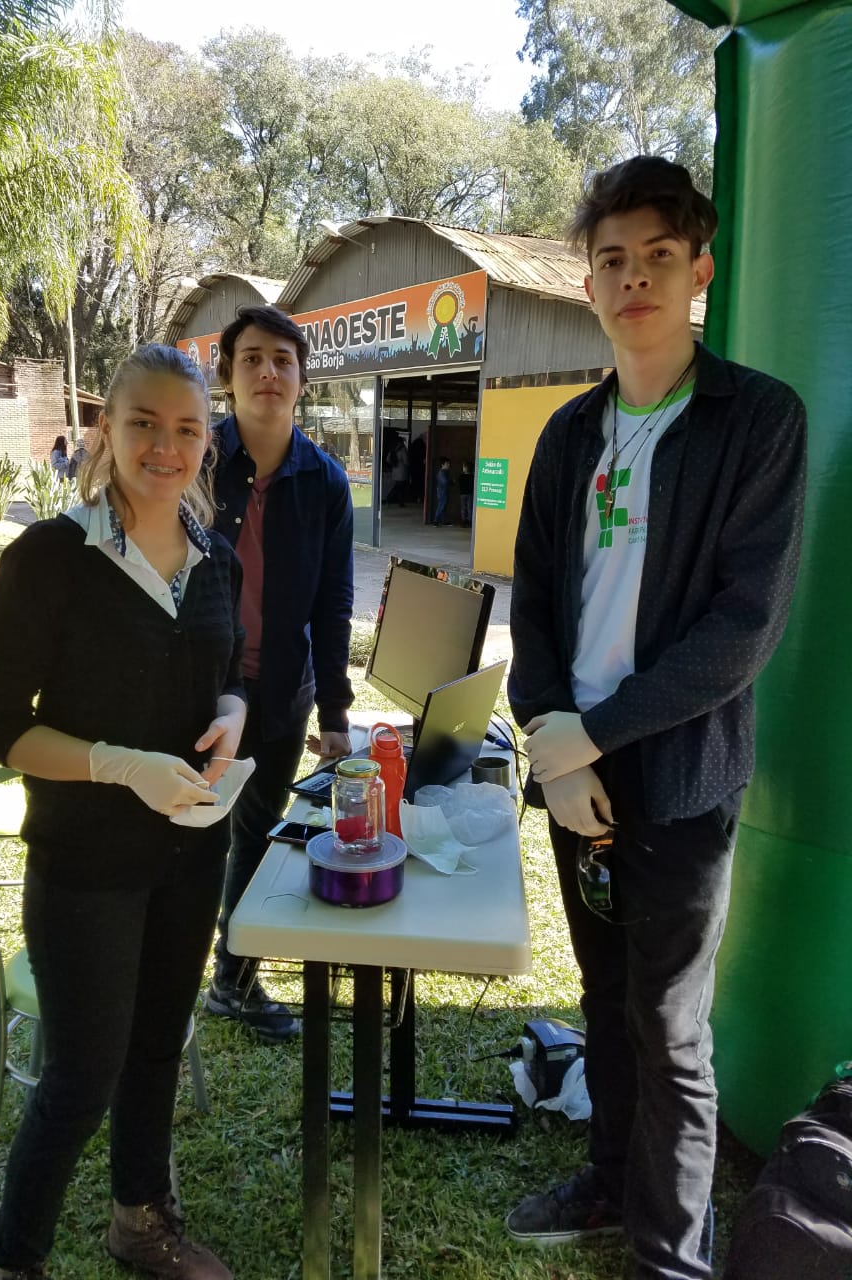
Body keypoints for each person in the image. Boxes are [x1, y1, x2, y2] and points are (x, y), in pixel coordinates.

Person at [507, 156, 806, 1278]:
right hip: (573, 766)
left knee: (671, 1026)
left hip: (678, 776)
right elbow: (534, 600)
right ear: (588, 283)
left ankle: (671, 1255)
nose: (635, 278)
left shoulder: (757, 420)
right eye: (614, 260)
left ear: (700, 273)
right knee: (602, 995)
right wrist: (554, 743)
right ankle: (607, 1180)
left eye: (659, 256)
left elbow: (744, 626)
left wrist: (597, 732)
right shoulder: (569, 434)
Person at [0, 344, 245, 1280]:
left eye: (186, 429)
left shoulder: (214, 558)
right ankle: (18, 1261)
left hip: (191, 853)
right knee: (84, 1076)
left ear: (206, 442)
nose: (165, 447)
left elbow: (228, 672)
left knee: (157, 1049)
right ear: (106, 430)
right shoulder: (51, 558)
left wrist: (234, 713)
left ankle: (141, 1223)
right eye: (144, 424)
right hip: (85, 865)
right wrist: (121, 766)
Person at [202, 304, 354, 1043]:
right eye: (252, 358)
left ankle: (231, 981)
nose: (268, 371)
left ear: (301, 378)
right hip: (198, 686)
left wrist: (336, 715)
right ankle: (164, 963)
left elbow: (334, 605)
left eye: (283, 360)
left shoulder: (325, 482)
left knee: (258, 832)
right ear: (228, 375)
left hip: (282, 691)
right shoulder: (195, 457)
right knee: (190, 832)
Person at [384, 438, 409, 506]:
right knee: (399, 487)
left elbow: (387, 459)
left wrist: (393, 464)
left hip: (394, 470)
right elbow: (406, 461)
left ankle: (399, 502)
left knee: (398, 487)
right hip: (402, 471)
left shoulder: (393, 449)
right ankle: (389, 498)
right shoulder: (402, 450)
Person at [433, 456, 451, 524]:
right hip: (442, 492)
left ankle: (443, 520)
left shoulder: (445, 472)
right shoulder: (442, 472)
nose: (448, 465)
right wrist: (451, 481)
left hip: (443, 491)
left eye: (448, 463)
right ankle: (436, 520)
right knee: (441, 506)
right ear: (442, 464)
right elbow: (444, 482)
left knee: (443, 506)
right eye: (447, 463)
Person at [457, 461, 473, 526]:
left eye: (464, 467)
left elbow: (458, 484)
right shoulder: (472, 476)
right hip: (470, 494)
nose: (463, 468)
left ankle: (464, 521)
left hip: (463, 494)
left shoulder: (461, 476)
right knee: (469, 508)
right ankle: (469, 521)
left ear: (466, 468)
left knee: (463, 508)